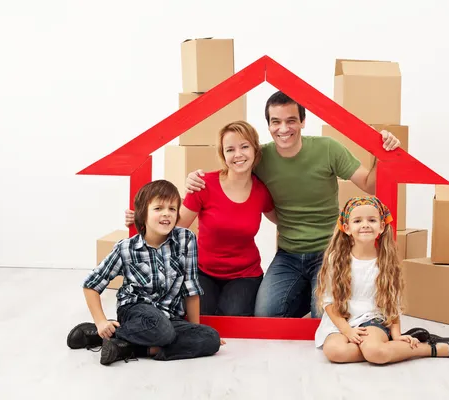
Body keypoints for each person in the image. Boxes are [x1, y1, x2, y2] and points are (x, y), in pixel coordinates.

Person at [186, 91, 402, 319]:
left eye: (291, 121)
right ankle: (311, 293)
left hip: (328, 250)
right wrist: (194, 179)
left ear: (303, 121)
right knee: (265, 317)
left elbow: (370, 185)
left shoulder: (328, 149)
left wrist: (383, 152)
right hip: (288, 254)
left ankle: (319, 297)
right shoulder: (261, 157)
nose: (283, 128)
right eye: (276, 122)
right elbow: (231, 171)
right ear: (268, 126)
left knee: (325, 320)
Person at [125, 121, 276, 317]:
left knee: (233, 318)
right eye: (230, 149)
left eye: (244, 146)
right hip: (203, 271)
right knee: (200, 316)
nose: (238, 154)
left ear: (255, 149)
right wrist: (142, 220)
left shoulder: (261, 191)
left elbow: (282, 220)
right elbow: (175, 225)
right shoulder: (204, 185)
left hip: (245, 275)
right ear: (223, 155)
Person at [67, 180, 222, 366]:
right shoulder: (127, 248)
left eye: (172, 209)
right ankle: (102, 331)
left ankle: (128, 346)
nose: (167, 213)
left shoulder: (186, 239)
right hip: (136, 310)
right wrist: (100, 322)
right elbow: (91, 284)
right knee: (162, 330)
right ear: (143, 213)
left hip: (170, 316)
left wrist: (194, 331)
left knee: (211, 339)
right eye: (158, 208)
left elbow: (191, 289)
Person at [314, 195, 449, 364]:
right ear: (347, 228)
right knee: (335, 352)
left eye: (371, 220)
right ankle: (391, 348)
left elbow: (391, 302)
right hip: (342, 320)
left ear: (381, 226)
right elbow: (328, 302)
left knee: (374, 352)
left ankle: (431, 348)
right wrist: (347, 331)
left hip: (372, 319)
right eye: (357, 221)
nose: (365, 225)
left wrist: (397, 335)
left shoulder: (385, 260)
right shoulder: (336, 259)